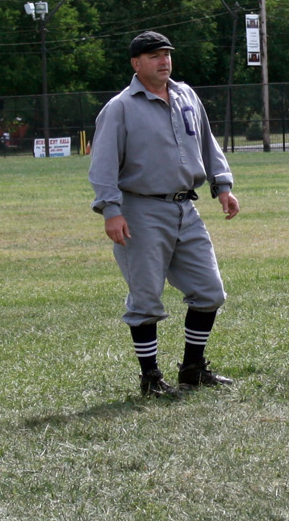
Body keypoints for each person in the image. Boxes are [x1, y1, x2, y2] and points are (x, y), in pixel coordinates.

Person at [88, 31, 240, 397]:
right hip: (140, 209)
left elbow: (207, 142)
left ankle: (192, 368)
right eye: (153, 55)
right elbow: (103, 163)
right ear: (135, 63)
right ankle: (151, 378)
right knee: (145, 298)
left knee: (209, 291)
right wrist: (111, 210)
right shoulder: (120, 107)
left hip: (185, 207)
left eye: (167, 54)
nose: (163, 61)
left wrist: (223, 185)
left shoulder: (186, 95)